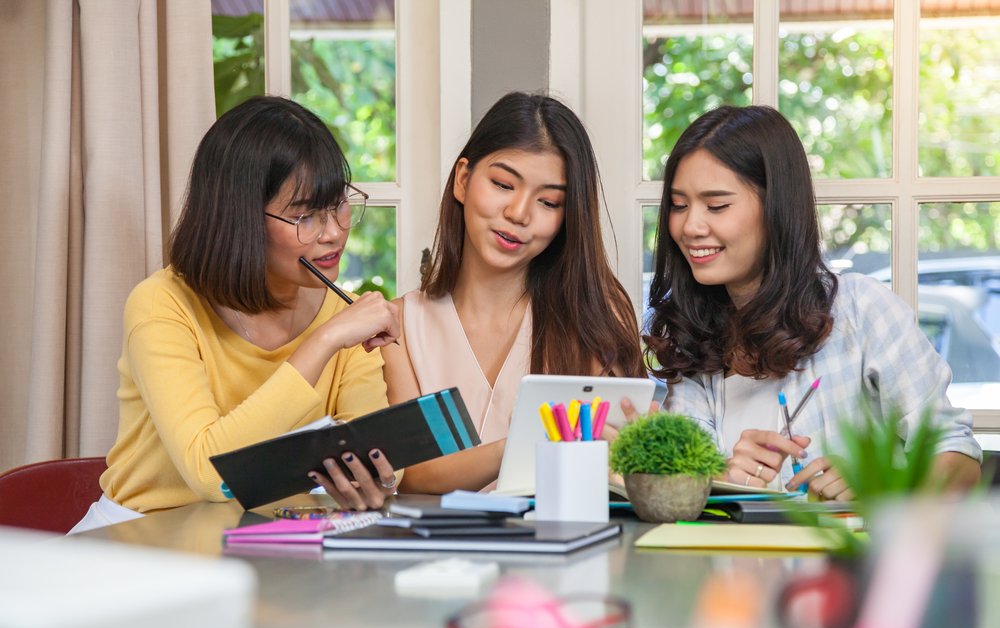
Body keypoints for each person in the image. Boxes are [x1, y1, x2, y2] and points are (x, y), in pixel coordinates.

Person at [73, 96, 401, 533]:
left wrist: (375, 480)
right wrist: (322, 343)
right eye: (305, 216)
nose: (334, 232)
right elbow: (211, 473)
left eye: (338, 204)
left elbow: (378, 459)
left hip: (262, 536)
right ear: (242, 217)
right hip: (139, 535)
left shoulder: (341, 313)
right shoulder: (162, 304)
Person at [642, 105, 981, 500]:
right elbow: (683, 497)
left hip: (854, 561)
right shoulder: (691, 338)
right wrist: (723, 478)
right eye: (679, 205)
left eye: (716, 206)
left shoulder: (860, 309)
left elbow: (958, 458)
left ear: (777, 208)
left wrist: (879, 485)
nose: (690, 227)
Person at [381, 92, 646, 494]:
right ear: (463, 180)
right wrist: (542, 439)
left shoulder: (594, 316)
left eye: (549, 201)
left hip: (565, 549)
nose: (519, 213)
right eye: (504, 184)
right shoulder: (398, 326)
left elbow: (618, 467)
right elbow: (414, 475)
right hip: (434, 555)